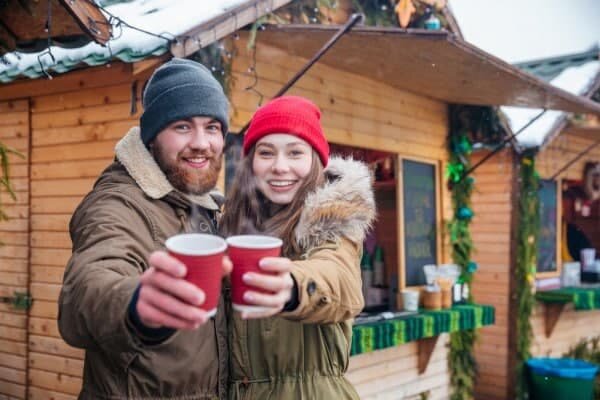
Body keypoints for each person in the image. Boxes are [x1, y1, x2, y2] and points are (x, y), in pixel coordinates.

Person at [58, 58, 231, 399]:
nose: (201, 142)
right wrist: (136, 305)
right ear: (152, 137)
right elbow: (88, 286)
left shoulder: (204, 206)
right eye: (182, 126)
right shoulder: (117, 204)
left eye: (212, 127)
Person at [220, 95, 376, 399]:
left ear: (314, 161)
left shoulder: (333, 222)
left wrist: (291, 285)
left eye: (295, 153)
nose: (280, 167)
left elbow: (340, 278)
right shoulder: (229, 227)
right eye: (266, 153)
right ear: (251, 163)